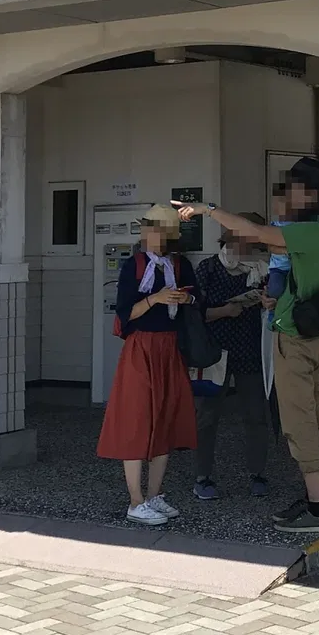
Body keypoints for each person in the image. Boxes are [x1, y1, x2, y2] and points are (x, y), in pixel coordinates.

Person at [177, 155, 319, 534]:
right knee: (312, 418)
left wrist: (209, 209)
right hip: (309, 335)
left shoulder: (310, 230)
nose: (287, 196)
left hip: (295, 342)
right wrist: (272, 299)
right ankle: (316, 498)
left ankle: (317, 511)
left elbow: (255, 233)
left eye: (295, 189)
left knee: (299, 422)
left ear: (311, 194)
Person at [96, 204, 199, 527]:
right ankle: (135, 500)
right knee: (137, 418)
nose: (150, 234)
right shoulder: (134, 266)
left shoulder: (180, 265)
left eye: (156, 229)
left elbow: (199, 300)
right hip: (141, 347)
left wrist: (186, 299)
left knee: (166, 418)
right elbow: (124, 312)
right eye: (148, 228)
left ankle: (153, 495)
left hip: (170, 347)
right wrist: (155, 299)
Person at [192, 217, 274, 501]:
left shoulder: (263, 269)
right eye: (240, 239)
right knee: (207, 415)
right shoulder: (208, 268)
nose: (245, 245)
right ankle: (202, 476)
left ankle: (258, 474)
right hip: (215, 352)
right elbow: (196, 313)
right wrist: (225, 311)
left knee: (255, 414)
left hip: (251, 350)